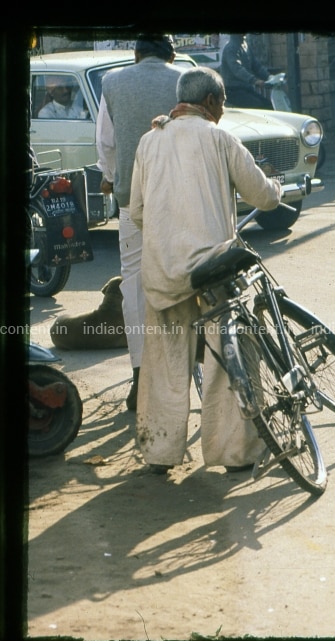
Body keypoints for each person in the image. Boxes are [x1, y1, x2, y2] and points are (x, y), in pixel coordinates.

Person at [129, 67, 282, 474]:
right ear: (211, 102)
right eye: (224, 102)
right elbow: (263, 197)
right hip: (212, 268)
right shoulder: (219, 138)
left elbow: (138, 210)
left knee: (164, 361)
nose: (224, 109)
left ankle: (159, 453)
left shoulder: (148, 141)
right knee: (229, 352)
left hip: (163, 272)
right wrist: (278, 186)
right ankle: (234, 454)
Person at [97, 34, 182, 411]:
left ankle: (139, 377)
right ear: (171, 54)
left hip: (133, 200)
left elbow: (106, 143)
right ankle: (182, 370)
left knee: (133, 284)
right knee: (184, 278)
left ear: (136, 54)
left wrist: (111, 177)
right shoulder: (184, 80)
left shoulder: (113, 82)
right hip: (179, 199)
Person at [219, 33, 272, 109]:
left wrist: (269, 77)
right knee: (260, 107)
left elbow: (256, 66)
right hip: (233, 91)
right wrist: (254, 80)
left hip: (246, 89)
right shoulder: (230, 48)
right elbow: (237, 69)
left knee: (268, 105)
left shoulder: (245, 46)